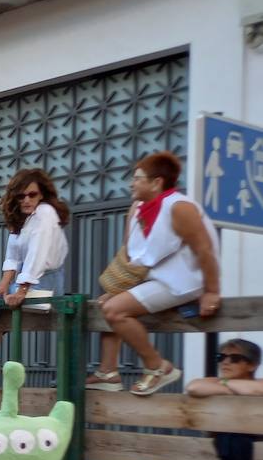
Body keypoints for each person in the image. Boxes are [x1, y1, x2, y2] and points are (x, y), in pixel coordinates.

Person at [87, 151, 221, 396]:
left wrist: (212, 291)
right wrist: (116, 289)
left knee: (115, 310)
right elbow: (132, 252)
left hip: (184, 280)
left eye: (138, 178)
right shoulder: (137, 209)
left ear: (156, 182)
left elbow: (205, 249)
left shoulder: (180, 207)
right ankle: (108, 372)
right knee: (106, 303)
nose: (132, 183)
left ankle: (157, 366)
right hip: (155, 278)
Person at [0, 169, 70, 384]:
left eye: (32, 195)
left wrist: (21, 290)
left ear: (42, 195)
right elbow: (13, 256)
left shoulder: (45, 213)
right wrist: (2, 286)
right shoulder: (23, 219)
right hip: (31, 281)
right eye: (21, 196)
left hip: (46, 283)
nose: (27, 200)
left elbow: (39, 253)